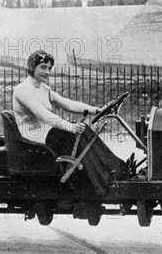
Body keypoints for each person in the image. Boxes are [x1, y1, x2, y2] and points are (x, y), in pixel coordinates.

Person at [12, 50, 129, 196]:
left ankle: (116, 169)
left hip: (46, 130)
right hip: (33, 134)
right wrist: (71, 127)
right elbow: (44, 115)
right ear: (32, 67)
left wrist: (97, 110)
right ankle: (102, 180)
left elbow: (67, 103)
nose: (47, 72)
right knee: (74, 136)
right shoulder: (23, 90)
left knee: (84, 131)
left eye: (49, 68)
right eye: (43, 67)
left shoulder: (43, 88)